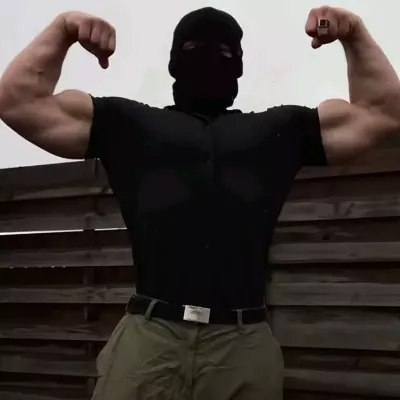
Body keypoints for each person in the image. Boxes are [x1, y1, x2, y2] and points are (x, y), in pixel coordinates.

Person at [0, 5, 399, 400]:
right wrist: (64, 28)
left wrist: (355, 32)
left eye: (224, 52)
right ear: (175, 62)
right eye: (194, 48)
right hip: (148, 342)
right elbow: (18, 102)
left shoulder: (277, 131)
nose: (209, 59)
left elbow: (381, 114)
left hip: (242, 347)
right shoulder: (127, 124)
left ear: (238, 65)